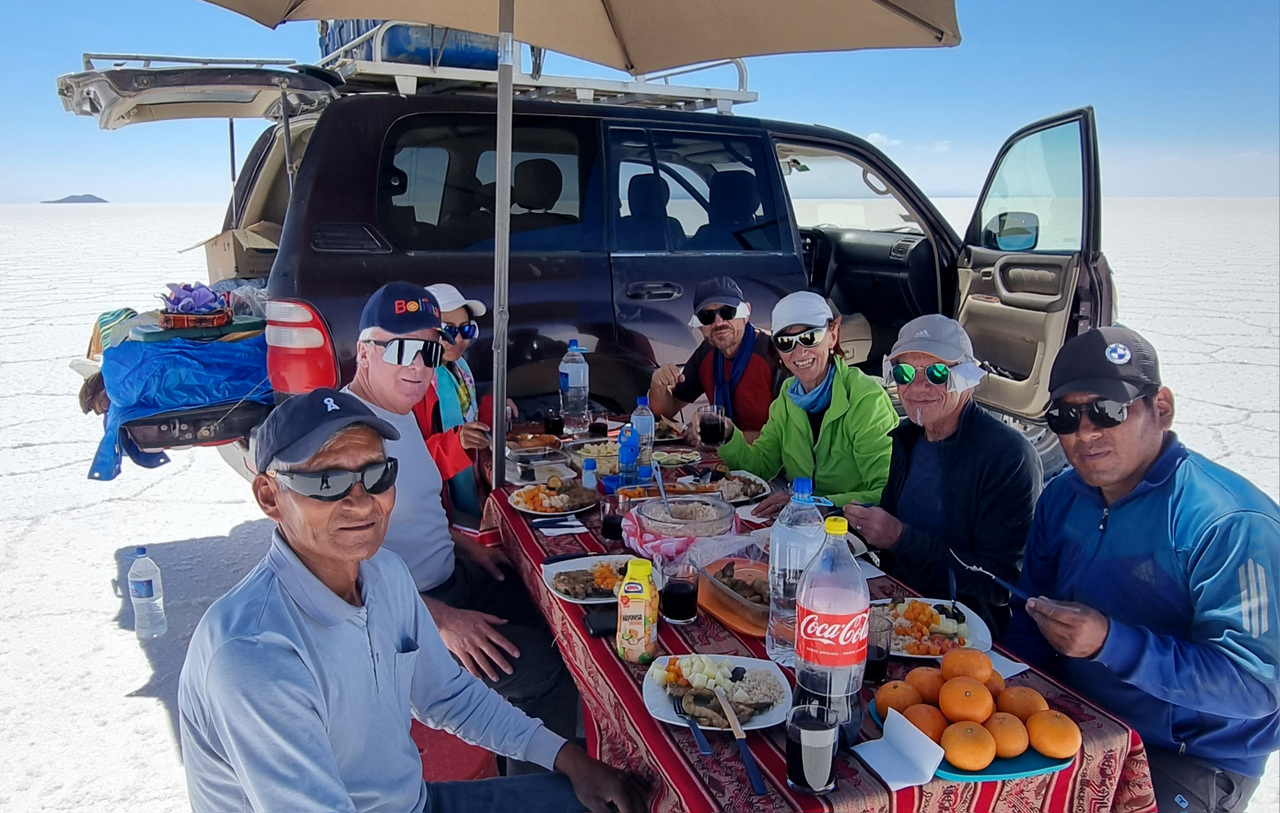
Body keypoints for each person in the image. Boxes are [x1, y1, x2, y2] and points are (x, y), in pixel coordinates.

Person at [178, 389, 642, 813]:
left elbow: (447, 695)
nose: (361, 503)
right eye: (327, 483)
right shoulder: (254, 654)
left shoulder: (385, 576)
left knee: (628, 801)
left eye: (377, 475)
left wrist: (566, 757)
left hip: (412, 803)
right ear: (269, 496)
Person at [1003, 327, 1279, 813]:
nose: (1086, 432)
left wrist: (1111, 643)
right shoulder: (1063, 496)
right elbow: (1032, 607)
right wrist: (1016, 694)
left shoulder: (1230, 522)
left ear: (1162, 407)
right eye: (1065, 417)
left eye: (1107, 410)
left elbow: (1256, 685)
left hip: (1187, 756)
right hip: (1075, 716)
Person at [344, 282, 579, 770]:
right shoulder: (348, 438)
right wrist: (442, 622)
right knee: (550, 671)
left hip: (453, 576)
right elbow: (341, 579)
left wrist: (462, 542)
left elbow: (409, 513)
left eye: (429, 350)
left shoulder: (399, 411)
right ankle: (532, 795)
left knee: (561, 613)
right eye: (402, 348)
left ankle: (516, 749)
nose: (418, 365)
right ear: (365, 351)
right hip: (409, 622)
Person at [842, 315, 1041, 635]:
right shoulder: (907, 437)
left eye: (937, 373)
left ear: (967, 379)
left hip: (965, 633)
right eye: (904, 373)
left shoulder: (1008, 456)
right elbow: (890, 530)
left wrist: (901, 537)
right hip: (897, 611)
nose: (918, 387)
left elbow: (1001, 583)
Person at [722, 291, 896, 512]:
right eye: (786, 342)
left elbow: (885, 490)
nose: (799, 352)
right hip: (801, 521)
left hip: (852, 529)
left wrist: (812, 504)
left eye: (809, 337)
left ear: (833, 334)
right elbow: (760, 466)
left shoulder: (866, 398)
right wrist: (726, 435)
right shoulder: (788, 394)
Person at [420, 282, 515, 524]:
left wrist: (495, 409)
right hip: (437, 508)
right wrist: (457, 442)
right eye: (448, 330)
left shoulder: (459, 367)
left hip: (471, 478)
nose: (460, 339)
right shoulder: (415, 382)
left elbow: (468, 418)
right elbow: (410, 461)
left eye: (467, 330)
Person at [647, 276, 783, 438]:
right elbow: (665, 412)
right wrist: (658, 387)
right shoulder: (707, 352)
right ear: (700, 326)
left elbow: (788, 436)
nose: (718, 323)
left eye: (727, 312)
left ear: (746, 314)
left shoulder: (773, 354)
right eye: (707, 317)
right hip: (725, 456)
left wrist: (719, 437)